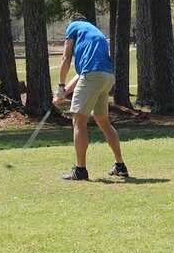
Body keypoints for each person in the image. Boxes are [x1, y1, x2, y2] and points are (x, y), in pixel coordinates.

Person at [54, 13, 127, 180]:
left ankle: (80, 170)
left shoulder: (73, 26)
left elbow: (66, 57)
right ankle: (120, 165)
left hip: (93, 77)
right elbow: (81, 74)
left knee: (78, 120)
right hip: (107, 78)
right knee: (103, 121)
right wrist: (63, 94)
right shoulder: (94, 33)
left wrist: (60, 86)